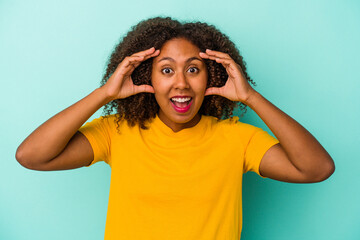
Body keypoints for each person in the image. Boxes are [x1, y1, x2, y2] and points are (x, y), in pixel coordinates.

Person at [15, 17, 335, 240]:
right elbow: (31, 156)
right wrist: (105, 94)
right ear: (146, 78)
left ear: (212, 76)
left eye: (193, 69)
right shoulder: (117, 132)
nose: (180, 83)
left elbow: (317, 168)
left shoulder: (239, 138)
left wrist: (250, 96)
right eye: (166, 70)